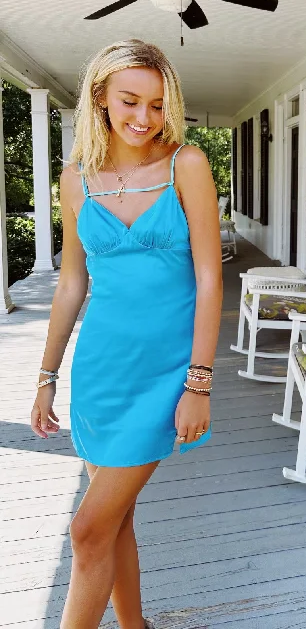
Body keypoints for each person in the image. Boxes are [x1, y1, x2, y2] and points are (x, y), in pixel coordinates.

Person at [30, 39, 223, 628]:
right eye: (130, 101)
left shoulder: (185, 165)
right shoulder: (76, 179)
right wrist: (46, 377)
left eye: (158, 105)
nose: (145, 118)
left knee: (87, 527)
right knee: (113, 524)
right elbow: (70, 285)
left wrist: (200, 380)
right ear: (100, 98)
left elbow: (211, 279)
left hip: (167, 376)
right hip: (101, 373)